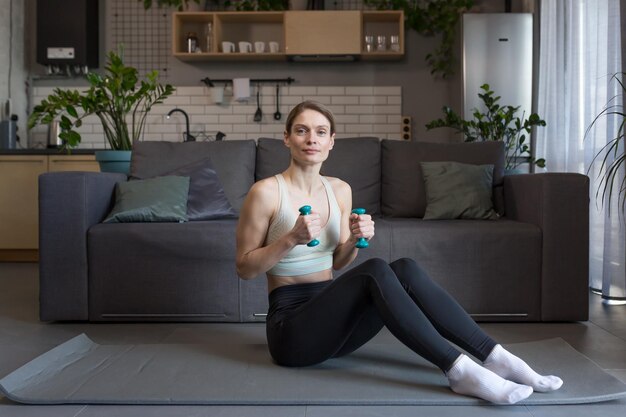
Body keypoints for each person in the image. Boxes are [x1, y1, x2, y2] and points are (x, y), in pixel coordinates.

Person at [235, 100, 563, 404]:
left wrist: (354, 241)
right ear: (287, 138)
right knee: (376, 270)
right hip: (292, 333)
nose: (311, 139)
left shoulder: (339, 189)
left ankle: (496, 357)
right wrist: (291, 238)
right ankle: (458, 370)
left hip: (334, 326)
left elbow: (337, 262)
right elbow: (245, 269)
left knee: (403, 268)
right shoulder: (266, 192)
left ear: (331, 141)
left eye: (321, 132)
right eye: (301, 130)